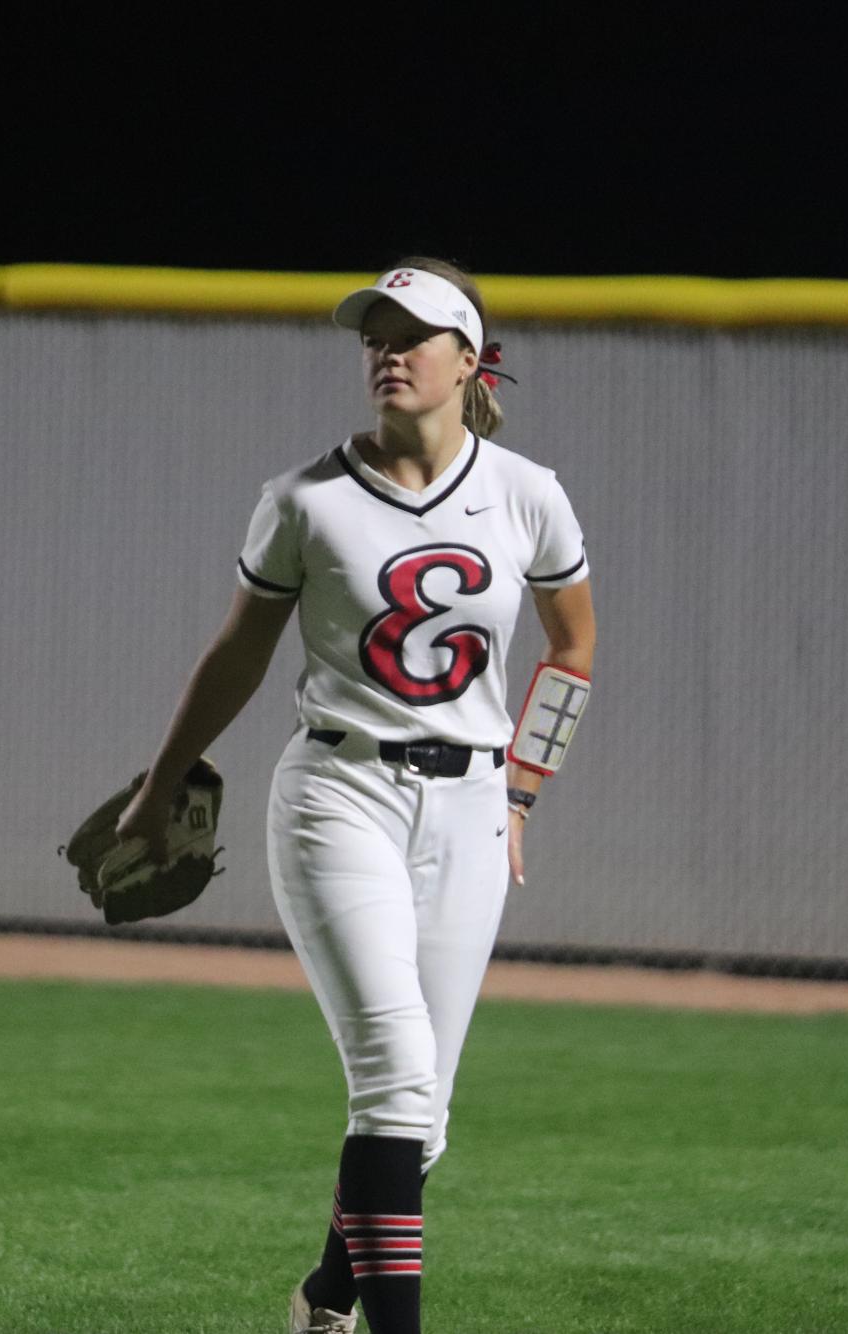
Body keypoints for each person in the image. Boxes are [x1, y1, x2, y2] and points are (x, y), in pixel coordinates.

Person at [116, 256, 596, 1334]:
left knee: (421, 1122)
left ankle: (326, 1297)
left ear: (469, 358)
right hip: (338, 790)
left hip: (471, 806)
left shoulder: (528, 495)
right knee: (391, 1072)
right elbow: (237, 655)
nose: (387, 347)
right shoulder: (306, 499)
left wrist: (522, 791)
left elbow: (575, 646)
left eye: (412, 330)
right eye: (374, 331)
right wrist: (162, 781)